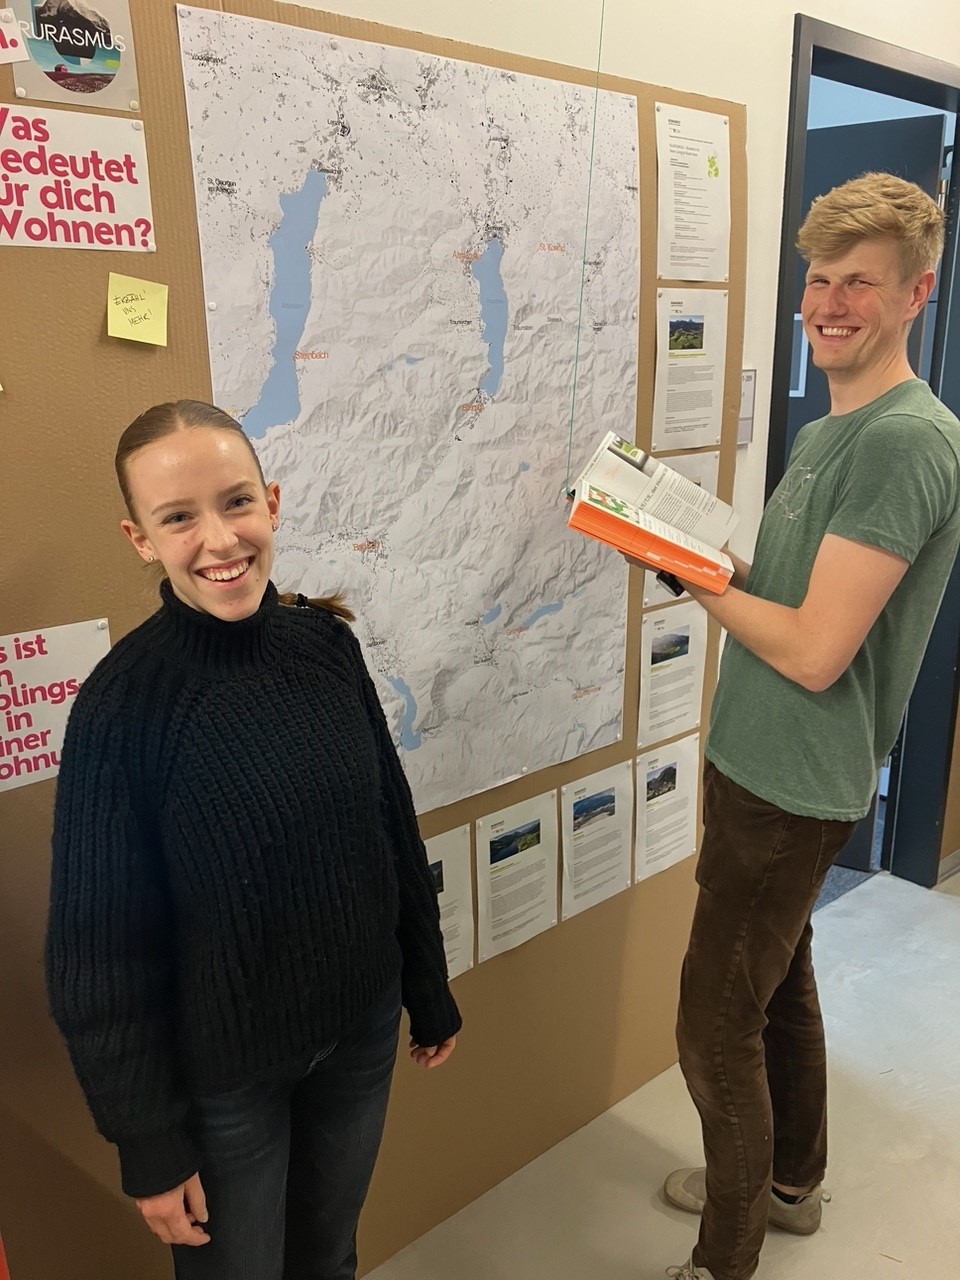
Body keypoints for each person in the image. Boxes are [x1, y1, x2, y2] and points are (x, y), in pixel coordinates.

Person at [45, 399, 461, 1280]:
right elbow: (95, 957)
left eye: (236, 503)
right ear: (140, 539)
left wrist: (426, 981)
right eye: (178, 518)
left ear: (271, 502)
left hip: (357, 1034)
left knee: (329, 1257)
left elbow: (388, 822)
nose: (219, 539)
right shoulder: (122, 710)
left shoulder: (325, 647)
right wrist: (149, 1145)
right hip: (225, 1081)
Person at [655, 173, 960, 1280]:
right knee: (777, 984)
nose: (829, 303)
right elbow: (789, 597)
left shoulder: (903, 442)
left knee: (710, 1027)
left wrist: (692, 580)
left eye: (859, 283)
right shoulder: (832, 426)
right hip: (756, 764)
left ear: (916, 292)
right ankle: (787, 1185)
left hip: (793, 782)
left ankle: (724, 1255)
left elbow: (818, 651)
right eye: (818, 280)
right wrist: (696, 549)